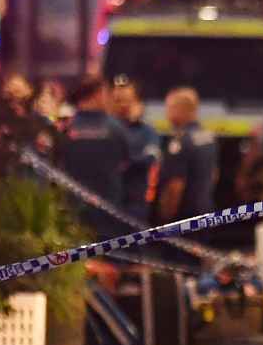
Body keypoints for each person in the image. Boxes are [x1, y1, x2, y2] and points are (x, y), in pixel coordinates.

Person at [56, 74, 133, 235]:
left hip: (74, 205)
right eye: (106, 93)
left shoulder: (66, 127)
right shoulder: (116, 128)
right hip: (108, 207)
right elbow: (126, 162)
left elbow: (57, 162)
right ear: (98, 94)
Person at [153, 86, 219, 225]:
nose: (167, 114)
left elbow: (175, 185)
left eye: (170, 108)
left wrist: (166, 215)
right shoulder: (209, 137)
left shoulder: (181, 142)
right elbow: (214, 175)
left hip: (185, 217)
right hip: (206, 210)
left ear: (182, 110)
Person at [110, 77, 162, 220]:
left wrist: (125, 162)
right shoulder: (106, 129)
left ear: (137, 102)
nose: (122, 104)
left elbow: (151, 157)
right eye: (118, 100)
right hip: (107, 201)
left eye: (127, 99)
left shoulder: (147, 131)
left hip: (135, 203)